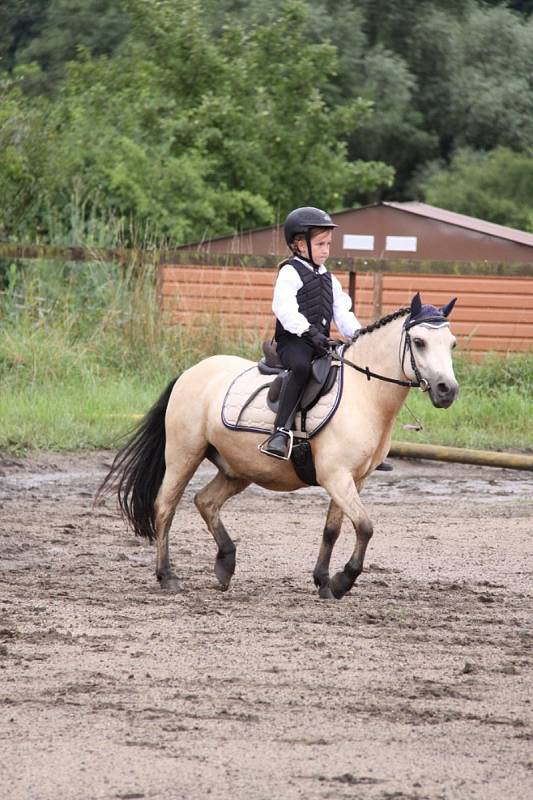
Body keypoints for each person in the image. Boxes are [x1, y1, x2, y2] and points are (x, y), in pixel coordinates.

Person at [260, 206, 362, 460]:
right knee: (303, 368)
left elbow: (344, 313)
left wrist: (360, 335)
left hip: (319, 342)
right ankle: (280, 431)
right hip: (293, 341)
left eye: (329, 244)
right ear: (300, 245)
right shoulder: (290, 271)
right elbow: (283, 309)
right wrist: (308, 332)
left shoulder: (330, 279)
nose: (326, 250)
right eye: (320, 244)